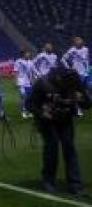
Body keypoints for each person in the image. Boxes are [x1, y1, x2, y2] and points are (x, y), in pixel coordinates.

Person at [28, 64, 92, 195]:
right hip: (47, 120)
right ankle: (48, 181)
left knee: (69, 148)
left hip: (65, 119)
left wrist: (82, 98)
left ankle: (75, 184)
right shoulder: (43, 83)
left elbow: (87, 104)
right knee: (52, 147)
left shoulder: (74, 82)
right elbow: (29, 104)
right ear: (58, 79)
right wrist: (41, 113)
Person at [62, 36, 90, 116]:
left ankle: (84, 105)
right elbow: (63, 59)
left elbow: (87, 60)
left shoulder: (85, 49)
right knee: (77, 92)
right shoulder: (72, 50)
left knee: (85, 91)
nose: (80, 41)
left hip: (85, 73)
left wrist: (88, 69)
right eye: (78, 40)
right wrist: (69, 68)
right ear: (74, 42)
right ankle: (77, 108)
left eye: (81, 39)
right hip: (77, 74)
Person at [15, 49, 35, 119]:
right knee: (23, 96)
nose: (29, 54)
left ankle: (28, 111)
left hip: (28, 82)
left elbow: (32, 72)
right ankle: (23, 111)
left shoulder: (31, 62)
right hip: (21, 82)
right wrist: (17, 81)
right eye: (27, 53)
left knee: (29, 98)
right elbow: (16, 72)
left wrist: (32, 80)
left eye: (29, 53)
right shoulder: (18, 61)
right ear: (23, 54)